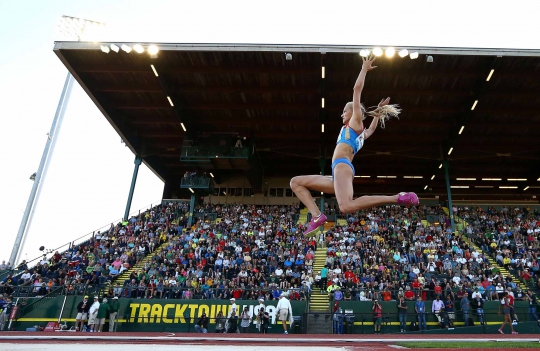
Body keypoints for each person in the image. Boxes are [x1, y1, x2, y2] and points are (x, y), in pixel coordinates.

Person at [290, 55, 418, 236]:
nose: (342, 114)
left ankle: (397, 197)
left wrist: (364, 69)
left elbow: (357, 89)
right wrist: (378, 113)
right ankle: (317, 216)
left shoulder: (356, 123)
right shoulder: (360, 132)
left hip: (342, 166)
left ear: (353, 112)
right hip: (338, 171)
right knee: (296, 182)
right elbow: (372, 130)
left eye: (344, 111)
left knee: (346, 206)